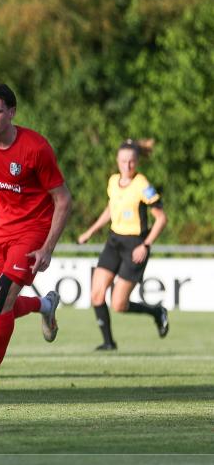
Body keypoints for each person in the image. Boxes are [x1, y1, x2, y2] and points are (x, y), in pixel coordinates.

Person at [0, 83, 72, 393]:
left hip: (32, 231)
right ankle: (44, 305)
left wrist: (47, 248)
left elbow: (63, 199)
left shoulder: (36, 148)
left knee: (1, 305)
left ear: (12, 112)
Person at [77, 139, 169, 350]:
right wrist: (90, 231)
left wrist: (145, 245)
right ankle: (109, 343)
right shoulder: (113, 181)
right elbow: (111, 209)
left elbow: (162, 219)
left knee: (119, 304)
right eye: (123, 161)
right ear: (117, 160)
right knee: (96, 294)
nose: (127, 166)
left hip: (135, 245)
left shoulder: (142, 185)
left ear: (137, 162)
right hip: (114, 241)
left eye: (132, 162)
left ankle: (157, 312)